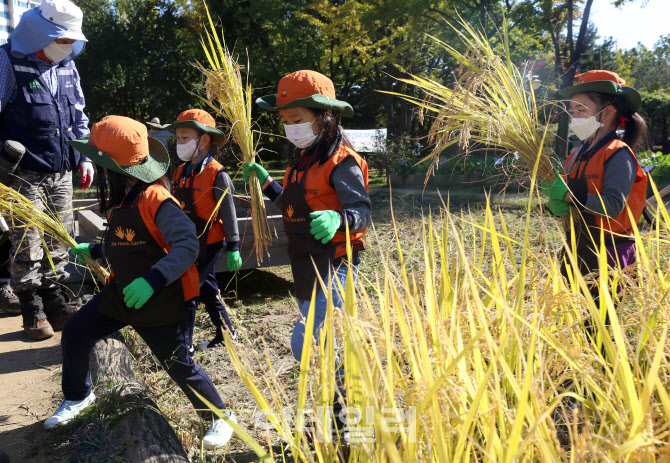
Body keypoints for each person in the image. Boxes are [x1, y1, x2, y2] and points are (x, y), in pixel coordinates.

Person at [44, 116, 236, 449]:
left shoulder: (156, 199)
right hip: (122, 295)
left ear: (112, 171)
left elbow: (188, 246)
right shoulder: (123, 201)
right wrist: (97, 249)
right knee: (76, 331)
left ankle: (220, 415)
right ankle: (78, 396)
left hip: (163, 300)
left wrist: (153, 279)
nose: (100, 174)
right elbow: (127, 240)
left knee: (178, 365)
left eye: (102, 168)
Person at [244, 70, 371, 426]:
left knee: (307, 344)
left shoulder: (342, 161)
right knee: (328, 343)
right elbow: (292, 204)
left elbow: (361, 211)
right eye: (285, 121)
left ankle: (346, 411)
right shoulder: (299, 163)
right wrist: (266, 182)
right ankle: (342, 413)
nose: (290, 128)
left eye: (297, 120)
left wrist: (337, 219)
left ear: (324, 117)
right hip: (304, 265)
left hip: (336, 262)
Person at [0, 0, 93, 339]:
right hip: (22, 173)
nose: (65, 46)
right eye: (61, 39)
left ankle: (56, 305)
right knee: (27, 242)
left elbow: (79, 116)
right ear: (40, 32)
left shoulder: (67, 66)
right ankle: (31, 311)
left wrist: (84, 157)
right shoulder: (7, 61)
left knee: (59, 240)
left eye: (70, 40)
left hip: (61, 170)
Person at [542, 70, 648, 335]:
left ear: (607, 112)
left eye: (580, 109)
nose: (574, 117)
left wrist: (568, 196)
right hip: (580, 248)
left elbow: (613, 205)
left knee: (602, 329)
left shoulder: (618, 154)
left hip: (609, 254)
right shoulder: (577, 155)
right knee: (580, 323)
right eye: (571, 110)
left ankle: (610, 373)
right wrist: (556, 206)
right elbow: (571, 198)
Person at [163, 109, 241, 351]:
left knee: (191, 288)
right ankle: (227, 334)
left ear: (204, 140)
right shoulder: (179, 172)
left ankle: (183, 344)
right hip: (187, 240)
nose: (180, 143)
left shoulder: (217, 174)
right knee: (207, 288)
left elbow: (228, 212)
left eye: (185, 137)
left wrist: (234, 246)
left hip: (210, 241)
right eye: (178, 138)